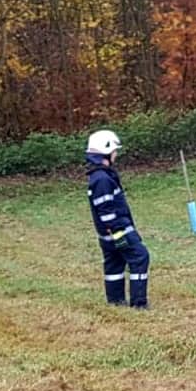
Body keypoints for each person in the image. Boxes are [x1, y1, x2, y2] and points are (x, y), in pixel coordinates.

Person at [85, 130, 150, 308]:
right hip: (117, 230)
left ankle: (115, 301)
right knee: (140, 257)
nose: (116, 154)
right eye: (114, 150)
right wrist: (118, 233)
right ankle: (138, 303)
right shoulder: (102, 179)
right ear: (106, 151)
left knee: (114, 263)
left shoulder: (99, 176)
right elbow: (105, 209)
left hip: (108, 233)